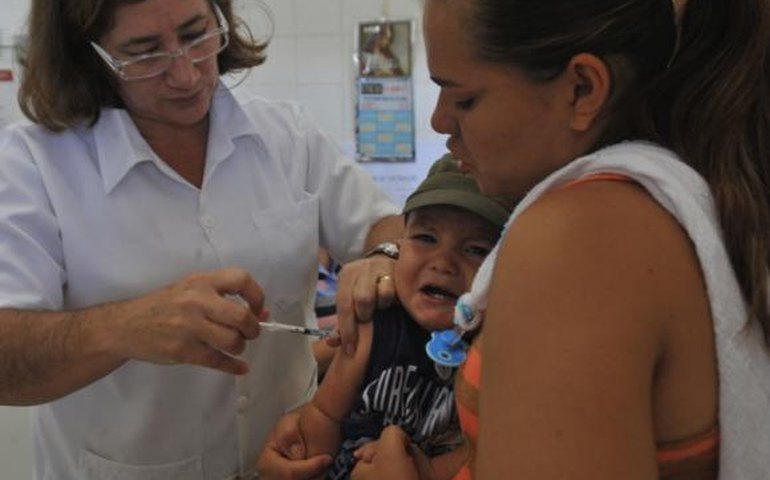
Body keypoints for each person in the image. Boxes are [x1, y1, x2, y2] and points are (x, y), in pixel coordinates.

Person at [266, 0, 770, 479]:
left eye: (465, 97)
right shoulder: (663, 204)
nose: (441, 121)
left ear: (582, 89)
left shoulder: (576, 238)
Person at [0, 0, 403, 479]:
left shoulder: (285, 135)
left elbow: (388, 228)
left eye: (196, 35)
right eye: (144, 53)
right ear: (90, 57)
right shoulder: (33, 164)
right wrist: (124, 327)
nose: (187, 75)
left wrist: (383, 256)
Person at [265, 155, 514, 480]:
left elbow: (481, 448)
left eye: (476, 250)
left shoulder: (492, 348)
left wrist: (426, 472)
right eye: (426, 238)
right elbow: (325, 413)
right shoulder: (374, 326)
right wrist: (310, 460)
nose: (443, 263)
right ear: (397, 249)